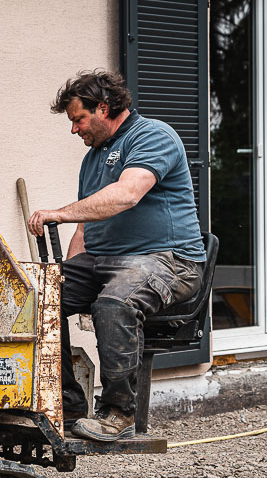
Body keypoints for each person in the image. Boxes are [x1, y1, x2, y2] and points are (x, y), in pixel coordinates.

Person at [28, 70, 205, 442]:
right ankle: (67, 403)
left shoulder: (152, 136)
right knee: (41, 296)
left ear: (104, 108)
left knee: (113, 303)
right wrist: (68, 275)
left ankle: (118, 412)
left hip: (169, 262)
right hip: (106, 263)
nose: (74, 130)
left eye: (78, 119)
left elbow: (127, 194)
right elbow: (84, 229)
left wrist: (59, 212)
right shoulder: (93, 158)